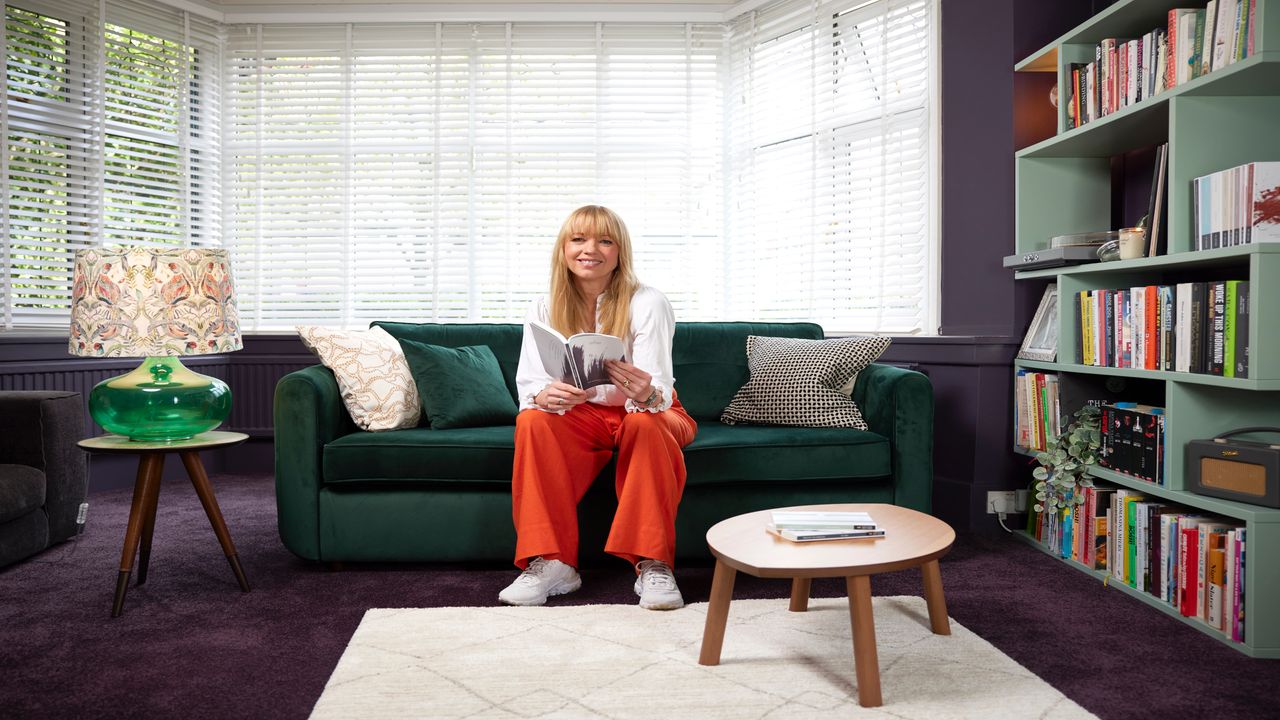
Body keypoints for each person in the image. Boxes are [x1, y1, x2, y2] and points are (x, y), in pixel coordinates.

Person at [499, 205, 698, 610]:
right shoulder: (541, 306)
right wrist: (544, 397)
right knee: (532, 422)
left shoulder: (649, 302)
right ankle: (553, 563)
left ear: (619, 252)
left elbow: (658, 387)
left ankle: (654, 564)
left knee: (645, 426)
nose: (591, 249)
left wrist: (644, 394)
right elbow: (532, 383)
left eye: (605, 240)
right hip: (582, 414)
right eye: (579, 239)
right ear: (563, 249)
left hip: (652, 411)